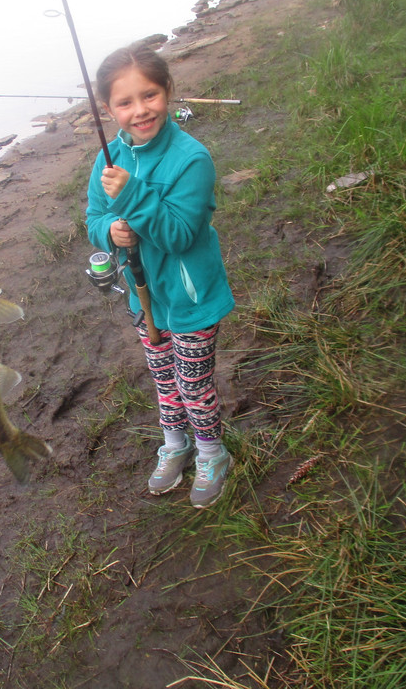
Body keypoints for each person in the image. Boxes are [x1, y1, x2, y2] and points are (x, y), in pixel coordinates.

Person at [85, 42, 235, 508]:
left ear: (167, 91)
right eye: (125, 102)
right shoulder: (108, 158)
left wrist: (131, 197)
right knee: (164, 378)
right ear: (109, 109)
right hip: (144, 297)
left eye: (149, 95)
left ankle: (211, 453)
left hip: (191, 299)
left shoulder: (192, 159)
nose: (140, 110)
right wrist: (110, 230)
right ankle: (174, 444)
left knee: (193, 383)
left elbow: (179, 235)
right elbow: (93, 218)